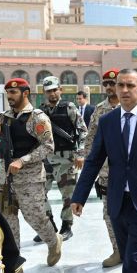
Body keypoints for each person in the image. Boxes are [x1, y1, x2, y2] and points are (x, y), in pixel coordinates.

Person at [71, 69, 137, 273]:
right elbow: (94, 159)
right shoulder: (107, 120)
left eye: (130, 85)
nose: (125, 90)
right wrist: (79, 195)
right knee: (128, 258)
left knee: (134, 259)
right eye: (120, 85)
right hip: (116, 202)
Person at [0, 78, 63, 271]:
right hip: (5, 179)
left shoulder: (37, 118)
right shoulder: (4, 117)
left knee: (35, 218)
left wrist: (23, 160)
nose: (9, 97)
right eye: (7, 93)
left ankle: (53, 240)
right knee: (8, 221)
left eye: (13, 93)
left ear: (25, 93)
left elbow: (48, 146)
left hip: (30, 179)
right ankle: (14, 263)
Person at [39, 76, 88, 241]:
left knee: (68, 195)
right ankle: (49, 226)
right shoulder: (40, 111)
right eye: (48, 91)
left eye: (54, 90)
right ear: (44, 93)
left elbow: (83, 131)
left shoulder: (69, 107)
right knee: (39, 194)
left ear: (60, 89)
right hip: (45, 159)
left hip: (66, 158)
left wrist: (80, 153)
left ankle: (66, 226)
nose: (52, 94)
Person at [83, 68, 122, 267]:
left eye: (112, 83)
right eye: (105, 83)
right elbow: (90, 139)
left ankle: (131, 250)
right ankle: (117, 250)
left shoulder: (130, 107)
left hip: (132, 173)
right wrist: (91, 164)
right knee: (109, 213)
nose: (108, 87)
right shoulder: (99, 109)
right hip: (106, 172)